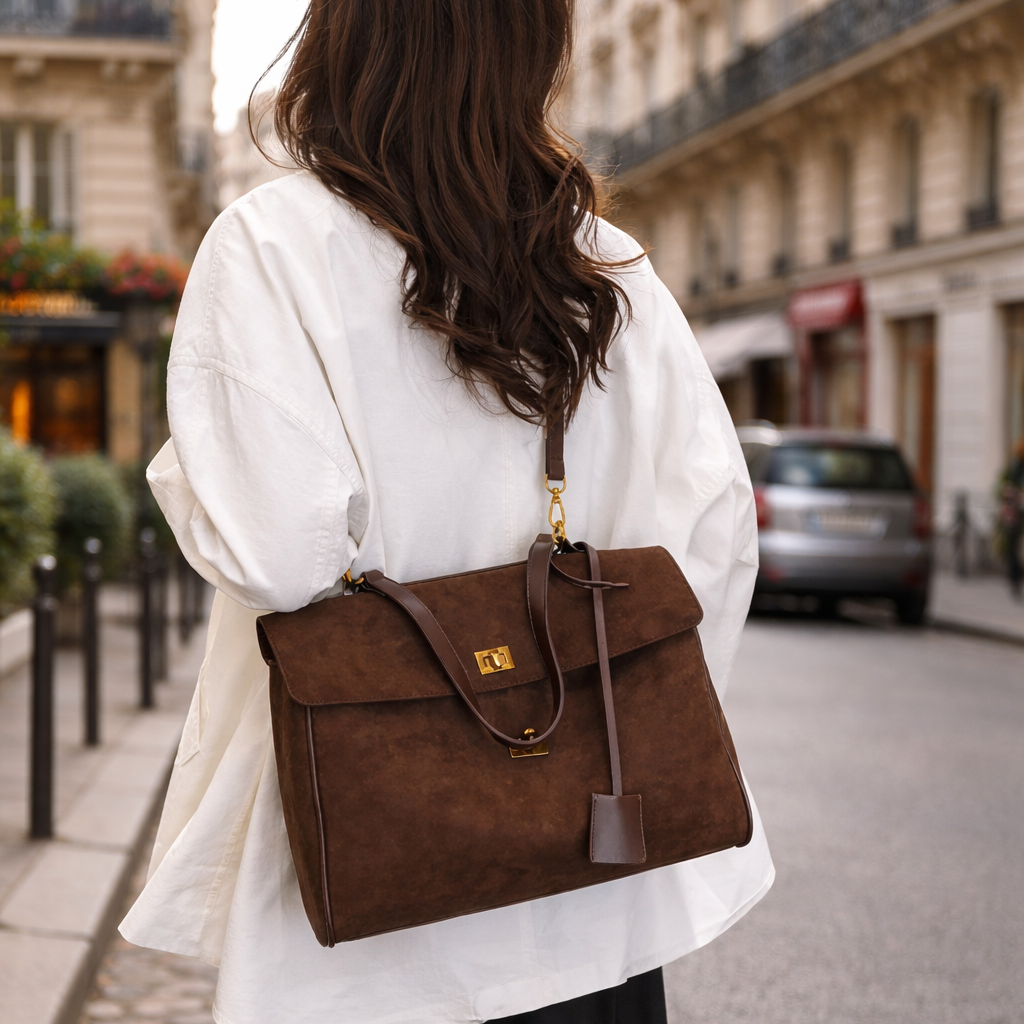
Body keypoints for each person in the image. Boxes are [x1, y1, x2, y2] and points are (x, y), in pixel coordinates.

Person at [119, 2, 774, 1021]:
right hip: (590, 899)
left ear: (344, 37)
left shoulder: (273, 244)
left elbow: (279, 556)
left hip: (369, 917)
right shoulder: (608, 267)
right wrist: (602, 737)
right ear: (535, 47)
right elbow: (717, 542)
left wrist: (192, 467)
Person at [999, 439, 1024, 599]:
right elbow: (1003, 486)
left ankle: (1015, 579)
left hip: (1016, 513)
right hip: (1016, 514)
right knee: (1013, 548)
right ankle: (1014, 579)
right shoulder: (1016, 466)